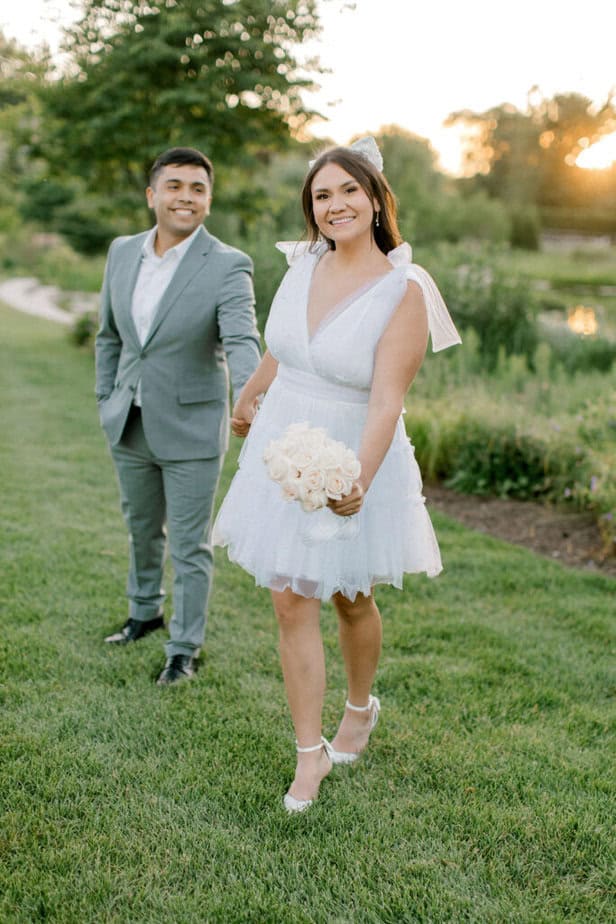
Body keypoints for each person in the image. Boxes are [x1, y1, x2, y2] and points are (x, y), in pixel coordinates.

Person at [213, 136, 461, 811]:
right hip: (283, 442)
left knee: (351, 595)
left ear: (377, 199)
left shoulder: (404, 289)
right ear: (312, 209)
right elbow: (286, 344)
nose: (335, 204)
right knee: (290, 596)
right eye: (322, 195)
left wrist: (359, 478)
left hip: (354, 447)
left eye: (349, 190)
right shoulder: (304, 265)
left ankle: (359, 707)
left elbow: (387, 398)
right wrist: (251, 391)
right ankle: (308, 754)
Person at [95, 146, 261, 686]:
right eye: (174, 186)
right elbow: (110, 337)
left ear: (208, 200)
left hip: (192, 427)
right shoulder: (122, 252)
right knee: (142, 529)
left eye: (197, 188)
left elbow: (241, 338)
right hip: (130, 420)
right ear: (153, 195)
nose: (185, 197)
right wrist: (106, 399)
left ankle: (184, 648)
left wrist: (250, 394)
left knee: (190, 545)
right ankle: (144, 613)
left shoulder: (228, 264)